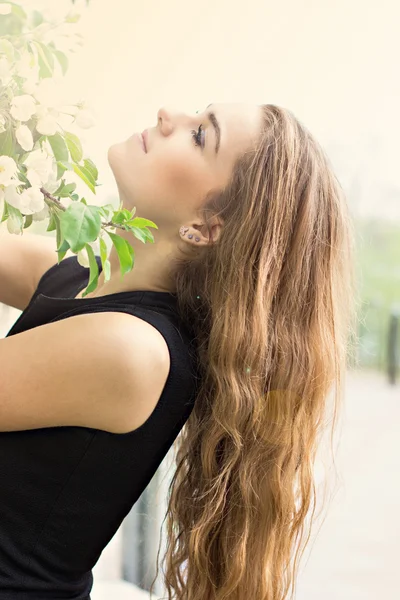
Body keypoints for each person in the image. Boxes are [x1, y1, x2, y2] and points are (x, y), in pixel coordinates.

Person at [0, 102, 357, 600]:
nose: (168, 116)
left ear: (208, 225)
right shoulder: (88, 277)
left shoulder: (132, 349)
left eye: (199, 135)